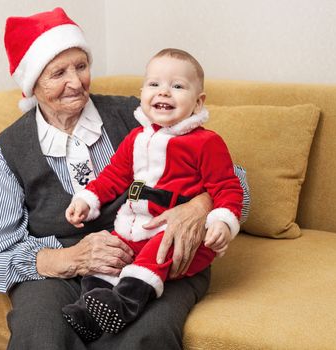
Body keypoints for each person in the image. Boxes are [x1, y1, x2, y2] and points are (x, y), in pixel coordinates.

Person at [0, 7, 250, 350]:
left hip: (155, 256)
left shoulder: (142, 114)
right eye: (58, 73)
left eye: (81, 67)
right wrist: (69, 259)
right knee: (39, 334)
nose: (76, 82)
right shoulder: (11, 149)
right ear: (32, 84)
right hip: (60, 271)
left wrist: (199, 207)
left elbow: (235, 183)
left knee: (145, 337)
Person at [63, 48, 243, 340]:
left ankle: (124, 305)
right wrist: (87, 199)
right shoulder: (136, 138)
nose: (165, 92)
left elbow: (227, 187)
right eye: (155, 84)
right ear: (142, 92)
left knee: (161, 248)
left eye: (178, 86)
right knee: (109, 254)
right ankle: (92, 311)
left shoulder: (206, 142)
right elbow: (114, 176)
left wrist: (221, 222)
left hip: (178, 235)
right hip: (135, 227)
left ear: (198, 102)